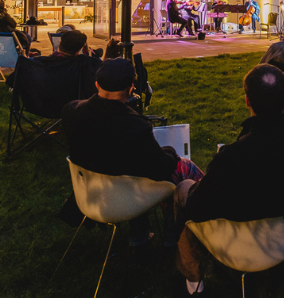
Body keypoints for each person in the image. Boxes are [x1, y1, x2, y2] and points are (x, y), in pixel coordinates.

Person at [173, 64, 284, 297]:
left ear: (247, 101)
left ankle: (192, 279)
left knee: (183, 189)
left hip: (237, 244)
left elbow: (197, 206)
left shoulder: (231, 157)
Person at [62, 59, 203, 253]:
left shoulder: (71, 111)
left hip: (90, 190)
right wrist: (170, 152)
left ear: (96, 84)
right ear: (131, 89)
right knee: (184, 167)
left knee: (133, 166)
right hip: (128, 195)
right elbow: (161, 168)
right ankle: (174, 238)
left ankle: (140, 236)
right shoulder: (135, 126)